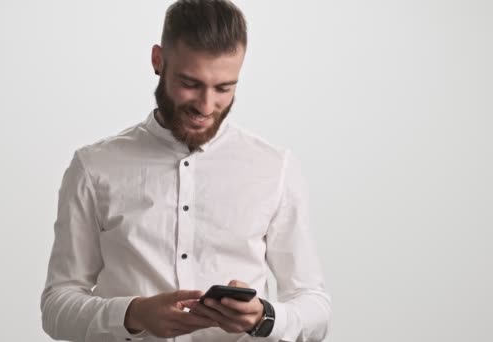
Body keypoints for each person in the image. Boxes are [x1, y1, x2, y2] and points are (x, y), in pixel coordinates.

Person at [40, 1, 332, 341]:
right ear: (158, 61)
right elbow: (56, 305)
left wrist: (264, 317)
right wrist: (133, 315)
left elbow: (315, 305)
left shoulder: (274, 167)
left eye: (224, 88)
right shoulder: (93, 168)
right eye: (191, 84)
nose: (206, 107)